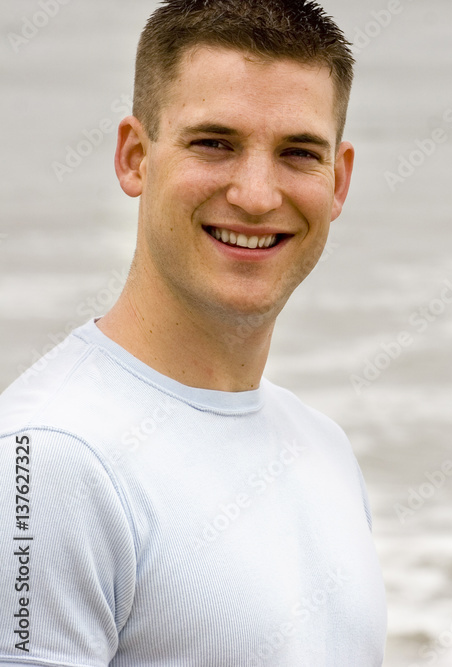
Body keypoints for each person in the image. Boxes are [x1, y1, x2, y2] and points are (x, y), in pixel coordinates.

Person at [0, 1, 387, 664]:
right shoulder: (50, 461)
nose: (257, 195)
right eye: (214, 143)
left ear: (339, 180)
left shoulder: (323, 447)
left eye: (298, 153)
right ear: (135, 157)